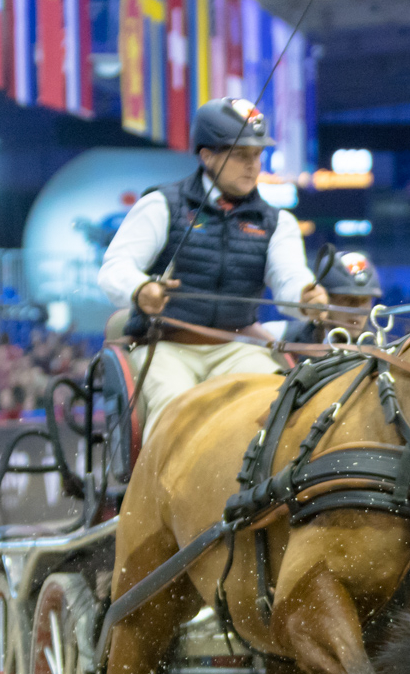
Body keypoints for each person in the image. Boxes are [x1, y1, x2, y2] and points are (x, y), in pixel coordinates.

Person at [97, 97, 325, 437]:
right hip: (166, 348)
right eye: (240, 154)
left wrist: (307, 294)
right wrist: (141, 290)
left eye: (257, 155)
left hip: (236, 350)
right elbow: (116, 268)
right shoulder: (161, 205)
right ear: (207, 156)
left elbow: (289, 276)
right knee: (174, 413)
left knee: (278, 410)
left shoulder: (277, 222)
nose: (253, 165)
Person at [278, 250, 382, 344]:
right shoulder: (284, 336)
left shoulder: (379, 350)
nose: (358, 310)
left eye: (365, 300)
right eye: (347, 299)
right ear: (324, 299)